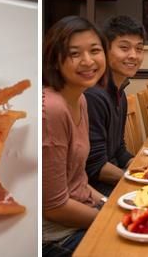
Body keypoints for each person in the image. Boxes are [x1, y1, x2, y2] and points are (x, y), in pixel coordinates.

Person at [41, 16, 110, 257]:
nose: (88, 61)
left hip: (80, 212)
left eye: (95, 50)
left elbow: (78, 182)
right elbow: (53, 207)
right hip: (54, 236)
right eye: (74, 54)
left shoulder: (80, 98)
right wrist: (111, 220)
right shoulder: (51, 109)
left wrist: (109, 207)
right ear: (54, 60)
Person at [83, 15, 145, 197]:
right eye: (124, 48)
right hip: (94, 189)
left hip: (110, 179)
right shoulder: (92, 94)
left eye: (139, 49)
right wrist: (137, 180)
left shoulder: (120, 92)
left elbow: (118, 150)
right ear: (104, 50)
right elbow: (95, 167)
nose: (133, 55)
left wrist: (144, 170)